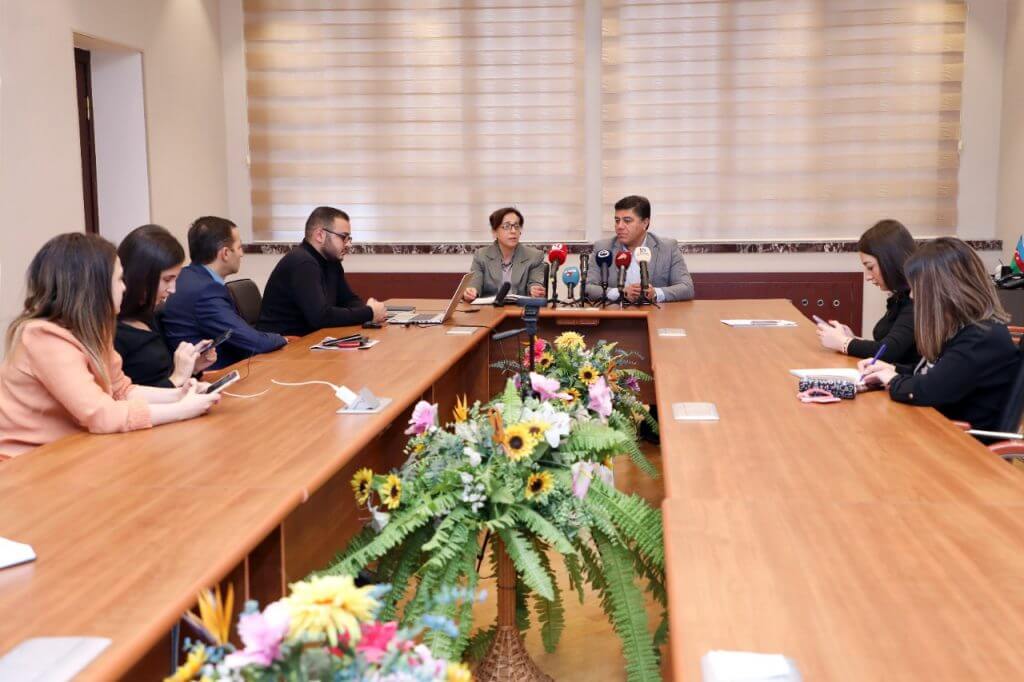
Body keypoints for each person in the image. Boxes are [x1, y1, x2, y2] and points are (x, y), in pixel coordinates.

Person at [0, 233, 220, 458]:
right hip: (28, 462)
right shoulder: (43, 337)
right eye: (119, 279)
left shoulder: (95, 328)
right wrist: (182, 410)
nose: (124, 288)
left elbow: (121, 390)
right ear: (95, 286)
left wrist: (179, 395)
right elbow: (100, 414)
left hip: (72, 451)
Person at [860, 238, 1021, 431]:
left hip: (963, 441)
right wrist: (892, 369)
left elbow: (929, 390)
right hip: (943, 429)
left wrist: (892, 379)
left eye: (916, 288)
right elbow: (937, 374)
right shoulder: (964, 328)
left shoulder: (981, 338)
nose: (912, 296)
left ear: (941, 290)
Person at [162, 216, 287, 369]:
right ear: (225, 253)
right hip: (215, 374)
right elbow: (254, 342)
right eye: (239, 247)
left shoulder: (187, 277)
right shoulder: (204, 291)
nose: (241, 254)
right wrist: (282, 339)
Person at [257, 206, 387, 336]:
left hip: (309, 339)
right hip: (283, 344)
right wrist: (369, 313)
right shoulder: (303, 263)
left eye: (349, 238)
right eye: (343, 237)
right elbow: (320, 317)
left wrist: (370, 311)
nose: (348, 245)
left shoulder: (331, 261)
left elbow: (348, 299)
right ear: (320, 235)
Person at [115, 224, 217, 387]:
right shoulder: (112, 333)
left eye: (175, 279)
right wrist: (178, 377)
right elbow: (127, 395)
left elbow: (160, 377)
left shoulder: (147, 315)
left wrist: (192, 368)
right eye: (167, 279)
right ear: (140, 276)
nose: (173, 289)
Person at [817, 219, 920, 365]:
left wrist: (844, 343)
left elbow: (888, 351)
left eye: (870, 267)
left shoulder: (916, 299)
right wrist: (851, 340)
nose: (868, 277)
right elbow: (889, 345)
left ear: (890, 261)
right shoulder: (899, 296)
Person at [584, 195, 694, 303]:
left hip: (655, 313)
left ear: (645, 223)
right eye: (617, 220)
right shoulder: (603, 248)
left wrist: (655, 293)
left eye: (627, 221)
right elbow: (587, 288)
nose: (619, 226)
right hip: (617, 312)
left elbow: (687, 288)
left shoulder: (667, 248)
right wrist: (620, 293)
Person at [462, 207, 547, 302]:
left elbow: (535, 283)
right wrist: (471, 291)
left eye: (516, 226)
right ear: (494, 232)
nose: (513, 231)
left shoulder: (535, 256)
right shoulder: (481, 255)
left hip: (520, 309)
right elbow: (475, 283)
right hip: (489, 310)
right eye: (506, 226)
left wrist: (534, 290)